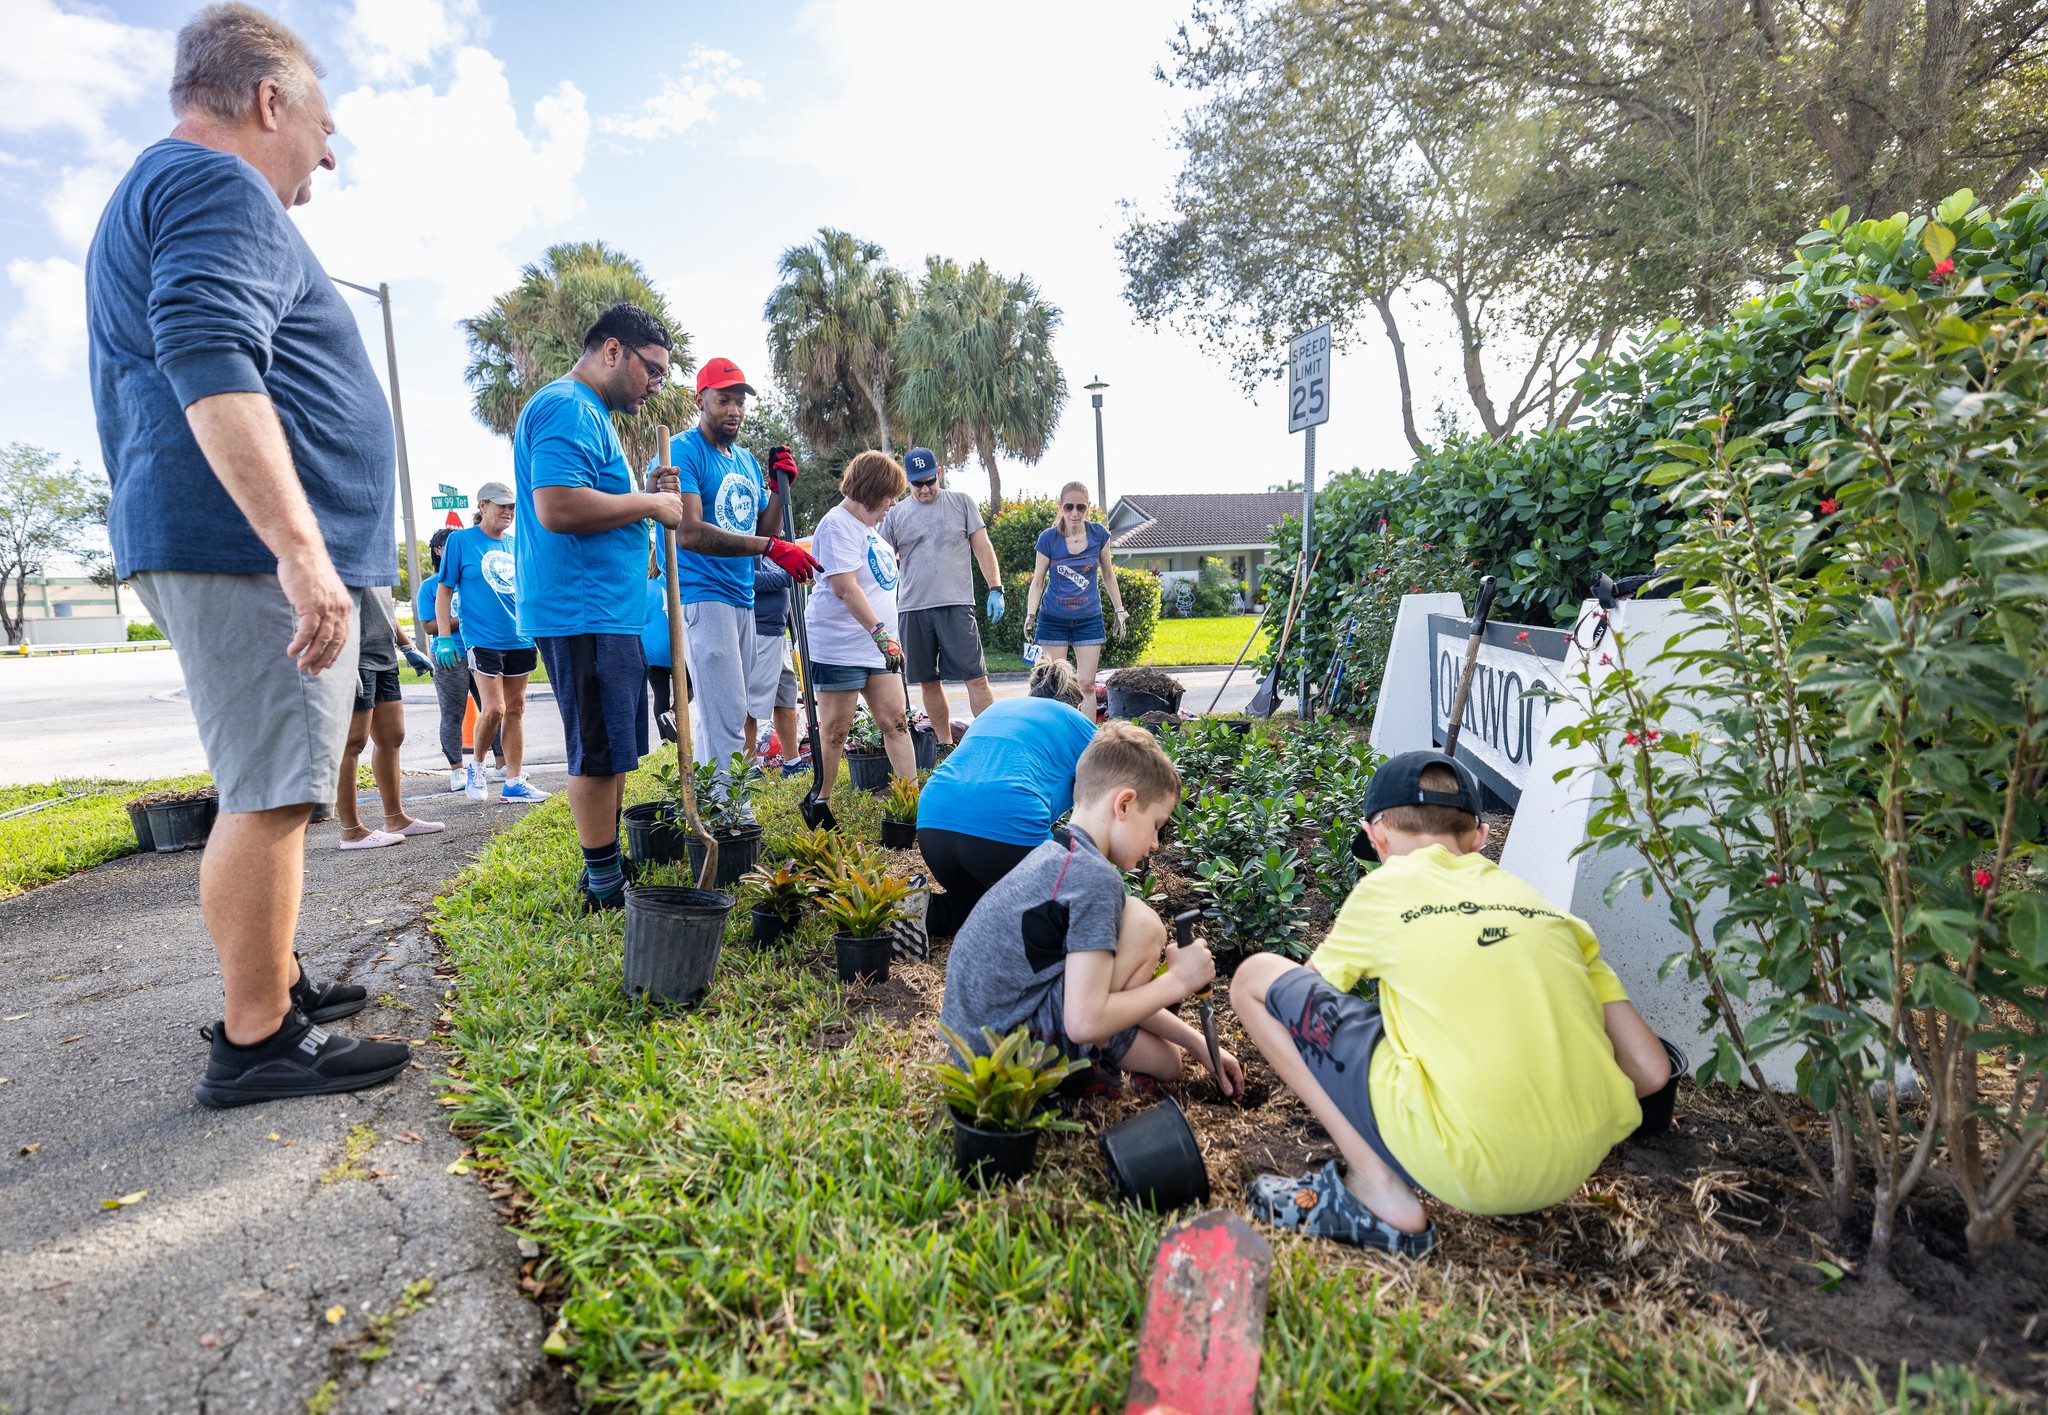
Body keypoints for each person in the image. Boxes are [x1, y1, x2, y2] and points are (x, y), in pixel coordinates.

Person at [86, 2, 409, 1105]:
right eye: (322, 121)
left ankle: (272, 981)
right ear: (268, 99)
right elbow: (209, 349)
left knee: (256, 783)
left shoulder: (169, 185)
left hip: (217, 540)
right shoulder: (215, 183)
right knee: (272, 788)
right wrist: (299, 552)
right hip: (239, 547)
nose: (329, 147)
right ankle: (257, 1040)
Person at [1229, 752, 1671, 1256]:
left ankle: (1377, 1193)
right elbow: (1652, 1071)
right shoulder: (1549, 912)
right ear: (1480, 837)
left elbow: (1300, 1009)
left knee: (1255, 979)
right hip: (1576, 1163)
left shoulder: (1385, 888)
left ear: (1377, 837)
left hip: (1463, 1165)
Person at [939, 722, 1242, 1099]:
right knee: (1144, 925)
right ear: (1124, 804)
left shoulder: (1057, 856)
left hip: (976, 1055)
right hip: (1010, 1061)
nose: (1154, 844)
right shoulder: (1095, 879)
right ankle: (1079, 1075)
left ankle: (1097, 1064)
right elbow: (1084, 1022)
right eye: (1156, 825)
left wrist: (1200, 1044)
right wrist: (1178, 982)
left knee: (1170, 1062)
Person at [666, 358, 820, 782]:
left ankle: (719, 805)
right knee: (728, 711)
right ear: (701, 400)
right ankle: (731, 815)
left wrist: (777, 489)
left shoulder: (746, 461)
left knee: (731, 709)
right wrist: (774, 546)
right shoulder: (683, 450)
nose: (733, 410)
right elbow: (691, 532)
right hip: (703, 594)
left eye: (739, 401)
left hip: (741, 598)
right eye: (723, 400)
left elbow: (761, 528)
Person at [916, 659, 1095, 937]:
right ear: (1076, 704)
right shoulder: (1077, 721)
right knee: (1080, 895)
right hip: (1003, 830)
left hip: (933, 826)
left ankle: (926, 914)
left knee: (982, 906)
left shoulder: (997, 709)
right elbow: (1121, 781)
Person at [807, 452, 918, 804]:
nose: (893, 503)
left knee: (896, 721)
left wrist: (887, 640)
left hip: (878, 648)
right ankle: (821, 800)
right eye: (890, 494)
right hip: (839, 647)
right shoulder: (836, 524)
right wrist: (881, 634)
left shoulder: (870, 530)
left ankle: (912, 801)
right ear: (871, 490)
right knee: (837, 730)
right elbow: (845, 588)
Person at [880, 447, 1004, 748]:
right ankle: (945, 745)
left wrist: (995, 588)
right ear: (907, 482)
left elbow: (983, 547)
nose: (924, 489)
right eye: (916, 483)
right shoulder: (895, 515)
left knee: (976, 677)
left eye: (928, 481)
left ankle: (990, 744)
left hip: (956, 604)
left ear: (939, 473)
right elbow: (880, 559)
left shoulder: (961, 503)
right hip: (913, 607)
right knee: (928, 681)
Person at [435, 484, 547, 804]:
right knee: (494, 708)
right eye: (501, 506)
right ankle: (477, 765)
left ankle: (513, 782)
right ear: (482, 505)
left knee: (516, 708)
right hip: (483, 638)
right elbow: (444, 591)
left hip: (521, 638)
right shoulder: (461, 541)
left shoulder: (517, 544)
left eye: (512, 506)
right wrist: (444, 638)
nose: (508, 511)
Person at [335, 592, 441, 848]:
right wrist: (341, 657)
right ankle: (351, 830)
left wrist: (407, 646)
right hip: (354, 657)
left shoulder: (378, 557)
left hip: (384, 656)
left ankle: (395, 818)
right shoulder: (339, 554)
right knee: (352, 743)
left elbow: (384, 611)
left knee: (392, 736)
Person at [417, 526, 504, 791]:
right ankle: (457, 770)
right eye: (449, 545)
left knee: (493, 709)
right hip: (450, 656)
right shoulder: (431, 586)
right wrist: (460, 618)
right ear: (439, 551)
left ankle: (501, 764)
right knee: (453, 715)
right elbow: (428, 626)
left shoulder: (471, 579)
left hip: (479, 650)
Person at [1023, 481, 1126, 696]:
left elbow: (1108, 574)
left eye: (1081, 507)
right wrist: (1031, 615)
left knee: (1086, 685)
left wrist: (1119, 609)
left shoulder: (1099, 534)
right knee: (1053, 685)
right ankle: (1055, 730)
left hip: (1088, 619)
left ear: (1088, 507)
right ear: (1061, 506)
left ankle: (1086, 731)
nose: (1075, 513)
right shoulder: (1048, 538)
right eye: (1069, 507)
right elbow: (1038, 581)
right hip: (1053, 619)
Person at [745, 554, 805, 777]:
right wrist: (788, 577)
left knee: (786, 697)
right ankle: (749, 767)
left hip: (779, 634)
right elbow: (749, 579)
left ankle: (792, 762)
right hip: (758, 633)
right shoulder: (747, 546)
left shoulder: (772, 552)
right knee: (751, 704)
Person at [640, 543, 676, 743]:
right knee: (688, 688)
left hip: (650, 650)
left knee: (660, 694)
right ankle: (672, 714)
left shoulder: (644, 587)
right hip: (673, 647)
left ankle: (665, 740)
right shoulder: (671, 584)